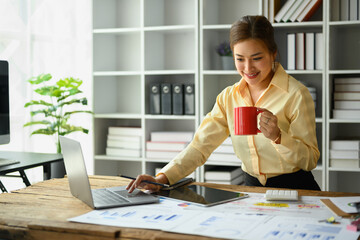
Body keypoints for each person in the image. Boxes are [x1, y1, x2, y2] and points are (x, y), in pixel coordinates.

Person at [126, 15, 320, 193]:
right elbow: (200, 146)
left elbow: (310, 159)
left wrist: (278, 137)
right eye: (239, 59)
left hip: (296, 190)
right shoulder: (228, 97)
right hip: (251, 190)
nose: (248, 68)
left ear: (273, 53)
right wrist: (161, 179)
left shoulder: (296, 94)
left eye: (257, 58)